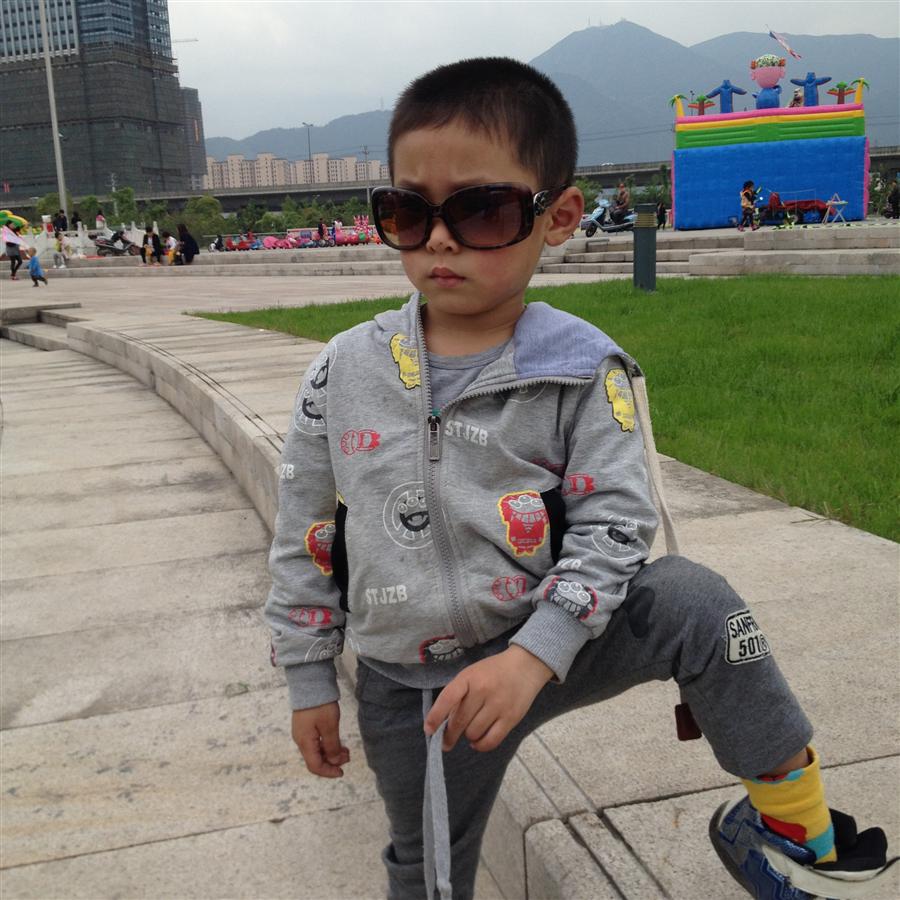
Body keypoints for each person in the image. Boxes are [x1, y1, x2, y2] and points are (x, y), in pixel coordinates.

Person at [265, 57, 895, 900]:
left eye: (481, 210)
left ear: (558, 216)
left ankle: (793, 833)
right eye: (409, 211)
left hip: (555, 630)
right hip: (417, 687)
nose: (440, 239)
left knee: (697, 603)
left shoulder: (581, 368)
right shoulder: (343, 371)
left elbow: (616, 524)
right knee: (426, 868)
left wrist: (536, 654)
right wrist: (309, 677)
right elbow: (304, 533)